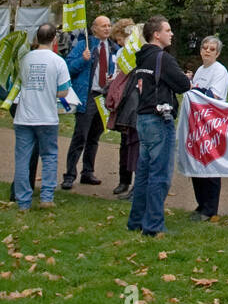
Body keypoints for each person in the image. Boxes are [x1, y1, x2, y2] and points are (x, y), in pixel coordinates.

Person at [127, 17, 191, 238]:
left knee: (143, 173)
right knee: (160, 174)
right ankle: (153, 224)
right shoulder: (163, 58)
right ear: (156, 34)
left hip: (143, 118)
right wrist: (186, 79)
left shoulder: (143, 57)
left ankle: (136, 220)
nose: (171, 34)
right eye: (168, 30)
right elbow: (182, 85)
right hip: (159, 118)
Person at [13, 24, 72, 211]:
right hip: (46, 116)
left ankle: (23, 200)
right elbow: (64, 91)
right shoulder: (58, 61)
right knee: (49, 156)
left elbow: (19, 82)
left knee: (22, 158)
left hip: (24, 116)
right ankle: (46, 196)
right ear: (54, 39)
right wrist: (50, 91)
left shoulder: (25, 59)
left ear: (37, 38)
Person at [62, 14, 118, 189]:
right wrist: (82, 59)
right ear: (94, 29)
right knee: (80, 136)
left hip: (102, 97)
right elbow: (68, 67)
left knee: (94, 137)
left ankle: (88, 172)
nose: (107, 29)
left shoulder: (112, 47)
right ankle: (70, 175)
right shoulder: (84, 45)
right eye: (103, 26)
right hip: (87, 96)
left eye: (109, 25)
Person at [189, 35, 228, 222]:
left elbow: (212, 95)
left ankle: (210, 208)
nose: (207, 51)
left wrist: (190, 88)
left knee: (211, 167)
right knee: (197, 165)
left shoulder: (219, 71)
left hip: (212, 124)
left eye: (211, 49)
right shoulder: (200, 70)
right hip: (197, 124)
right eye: (204, 47)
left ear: (218, 53)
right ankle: (201, 204)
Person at [111, 18, 138, 199]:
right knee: (124, 143)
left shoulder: (137, 50)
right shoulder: (121, 52)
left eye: (119, 38)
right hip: (123, 100)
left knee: (135, 144)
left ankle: (136, 184)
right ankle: (124, 180)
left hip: (135, 100)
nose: (118, 43)